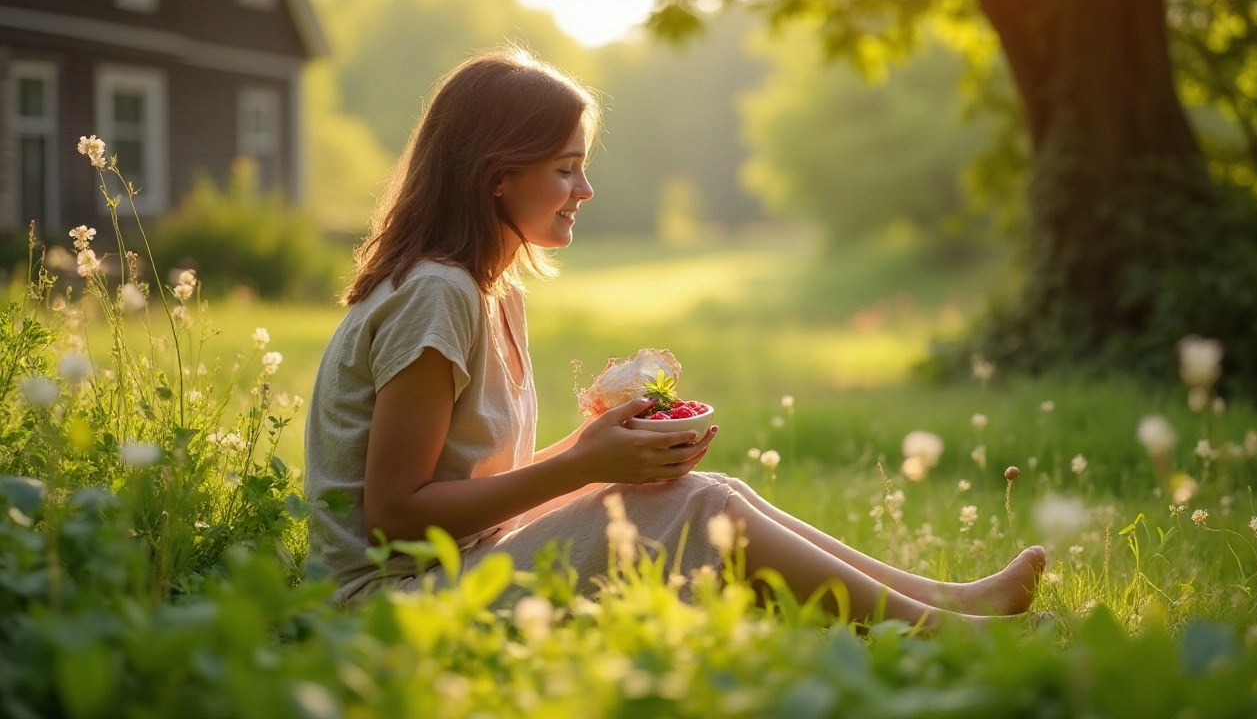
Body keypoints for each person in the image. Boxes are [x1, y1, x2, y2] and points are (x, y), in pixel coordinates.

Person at [304, 47, 1046, 628]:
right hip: (393, 605)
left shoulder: (492, 293)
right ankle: (933, 632)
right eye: (566, 170)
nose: (584, 192)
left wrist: (602, 455)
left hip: (462, 566)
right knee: (704, 511)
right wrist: (580, 469)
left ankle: (949, 601)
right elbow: (396, 515)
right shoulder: (438, 294)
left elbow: (477, 491)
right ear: (498, 176)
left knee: (715, 489)